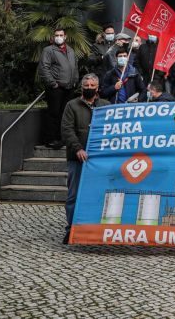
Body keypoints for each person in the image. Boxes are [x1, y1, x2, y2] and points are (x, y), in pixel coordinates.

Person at [61, 74, 109, 243]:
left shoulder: (105, 106)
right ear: (82, 87)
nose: (89, 87)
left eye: (92, 85)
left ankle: (94, 228)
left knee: (100, 194)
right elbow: (67, 130)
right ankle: (71, 229)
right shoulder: (72, 105)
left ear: (98, 87)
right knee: (74, 195)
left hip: (100, 160)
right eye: (86, 85)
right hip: (78, 159)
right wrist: (78, 148)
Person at [39, 28, 80, 150]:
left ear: (65, 36)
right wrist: (53, 83)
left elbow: (75, 67)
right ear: (53, 37)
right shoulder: (48, 50)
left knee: (64, 114)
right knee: (54, 113)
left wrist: (75, 81)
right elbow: (44, 68)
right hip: (56, 88)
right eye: (56, 35)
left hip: (69, 88)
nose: (59, 37)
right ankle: (50, 139)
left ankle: (61, 138)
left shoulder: (71, 51)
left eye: (61, 35)